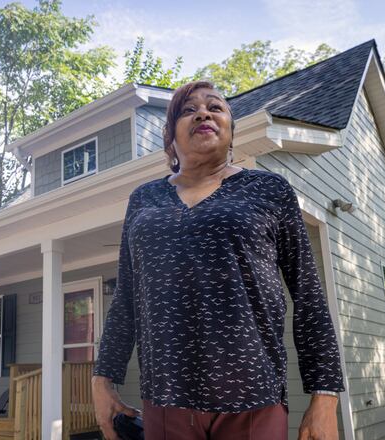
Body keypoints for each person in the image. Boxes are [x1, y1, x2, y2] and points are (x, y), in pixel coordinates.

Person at [91, 80, 345, 440]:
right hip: (166, 398)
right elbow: (126, 298)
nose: (203, 113)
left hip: (253, 397)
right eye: (188, 109)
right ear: (170, 134)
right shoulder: (144, 199)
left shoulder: (269, 190)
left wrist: (325, 395)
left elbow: (309, 295)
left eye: (215, 107)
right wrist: (103, 380)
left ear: (230, 129)